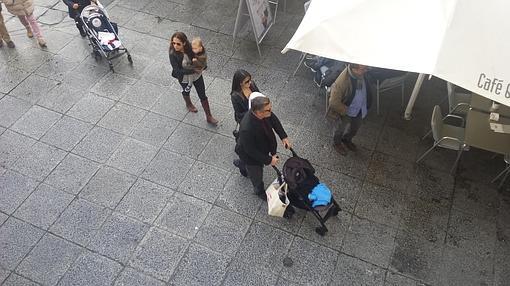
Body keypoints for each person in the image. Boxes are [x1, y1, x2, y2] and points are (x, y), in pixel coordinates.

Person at [235, 96, 291, 200]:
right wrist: (269, 160)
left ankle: (240, 164)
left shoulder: (266, 113)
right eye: (268, 110)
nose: (271, 111)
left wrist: (283, 136)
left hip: (260, 147)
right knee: (256, 174)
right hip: (250, 156)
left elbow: (274, 120)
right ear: (258, 112)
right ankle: (259, 191)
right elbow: (251, 151)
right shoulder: (247, 128)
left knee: (248, 165)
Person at [169, 31, 218, 125]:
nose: (175, 46)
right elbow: (177, 70)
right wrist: (193, 70)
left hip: (196, 75)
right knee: (186, 90)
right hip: (184, 77)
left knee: (202, 94)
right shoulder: (172, 54)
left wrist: (203, 66)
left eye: (178, 44)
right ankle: (188, 103)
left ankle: (209, 116)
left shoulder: (191, 48)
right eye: (173, 43)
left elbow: (201, 55)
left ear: (184, 43)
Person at [327, 64, 373, 155]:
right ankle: (337, 143)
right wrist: (345, 110)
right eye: (363, 69)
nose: (366, 70)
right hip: (346, 111)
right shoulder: (342, 82)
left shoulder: (361, 74)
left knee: (355, 128)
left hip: (360, 109)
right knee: (340, 129)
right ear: (354, 69)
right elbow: (333, 102)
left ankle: (347, 139)